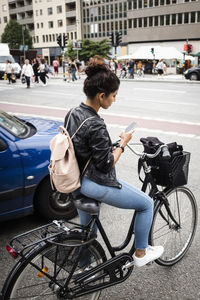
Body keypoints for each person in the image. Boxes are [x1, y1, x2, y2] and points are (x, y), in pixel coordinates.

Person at [64, 57, 164, 267]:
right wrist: (122, 144)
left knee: (87, 233)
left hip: (76, 180)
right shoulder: (96, 124)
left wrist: (110, 145)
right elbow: (106, 164)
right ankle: (140, 253)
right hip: (93, 183)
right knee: (146, 204)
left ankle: (83, 269)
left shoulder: (73, 112)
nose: (115, 100)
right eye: (114, 95)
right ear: (102, 96)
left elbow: (83, 147)